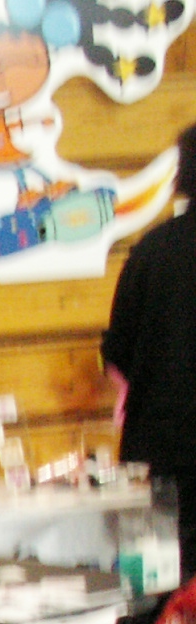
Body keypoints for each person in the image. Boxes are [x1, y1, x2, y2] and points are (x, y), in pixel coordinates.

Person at [102, 124, 196, 566]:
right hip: (167, 455)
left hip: (162, 458)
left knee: (161, 583)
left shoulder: (152, 251)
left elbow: (116, 355)